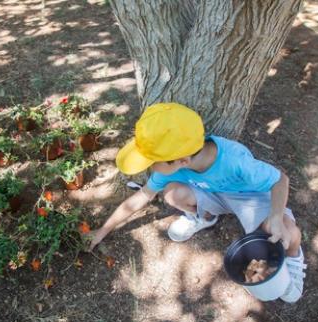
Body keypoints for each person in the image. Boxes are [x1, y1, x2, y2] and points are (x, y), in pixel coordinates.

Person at [87, 102, 306, 303]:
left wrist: (276, 216)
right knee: (172, 193)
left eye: (152, 162)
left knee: (285, 231)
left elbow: (280, 179)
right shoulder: (174, 163)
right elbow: (142, 196)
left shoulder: (234, 161)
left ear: (182, 161)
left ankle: (294, 259)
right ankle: (205, 217)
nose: (150, 168)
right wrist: (102, 230)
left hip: (250, 198)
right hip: (213, 194)